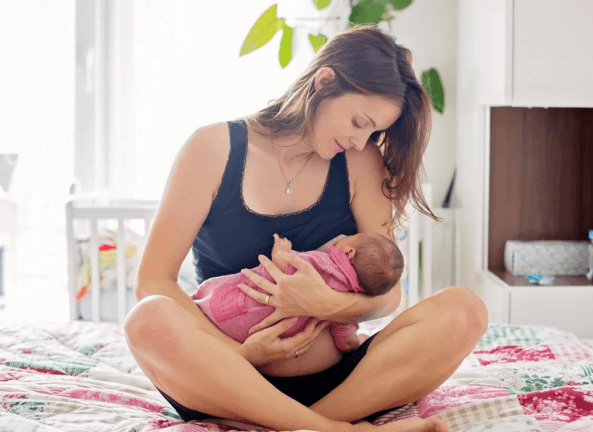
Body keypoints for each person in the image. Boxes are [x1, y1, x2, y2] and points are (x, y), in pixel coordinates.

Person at [124, 24, 488, 432]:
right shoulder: (211, 149)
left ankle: (308, 424)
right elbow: (154, 280)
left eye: (373, 132)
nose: (359, 140)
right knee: (147, 319)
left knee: (465, 311)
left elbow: (387, 296)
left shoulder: (360, 163)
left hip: (340, 386)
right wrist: (241, 352)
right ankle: (334, 430)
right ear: (325, 80)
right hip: (230, 378)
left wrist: (330, 306)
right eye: (357, 121)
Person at [191, 232, 403, 352]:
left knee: (213, 302)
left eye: (352, 235)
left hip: (238, 306)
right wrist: (360, 340)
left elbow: (285, 265)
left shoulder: (323, 262)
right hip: (255, 334)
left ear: (349, 252)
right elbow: (345, 342)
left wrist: (281, 251)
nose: (346, 235)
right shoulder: (346, 305)